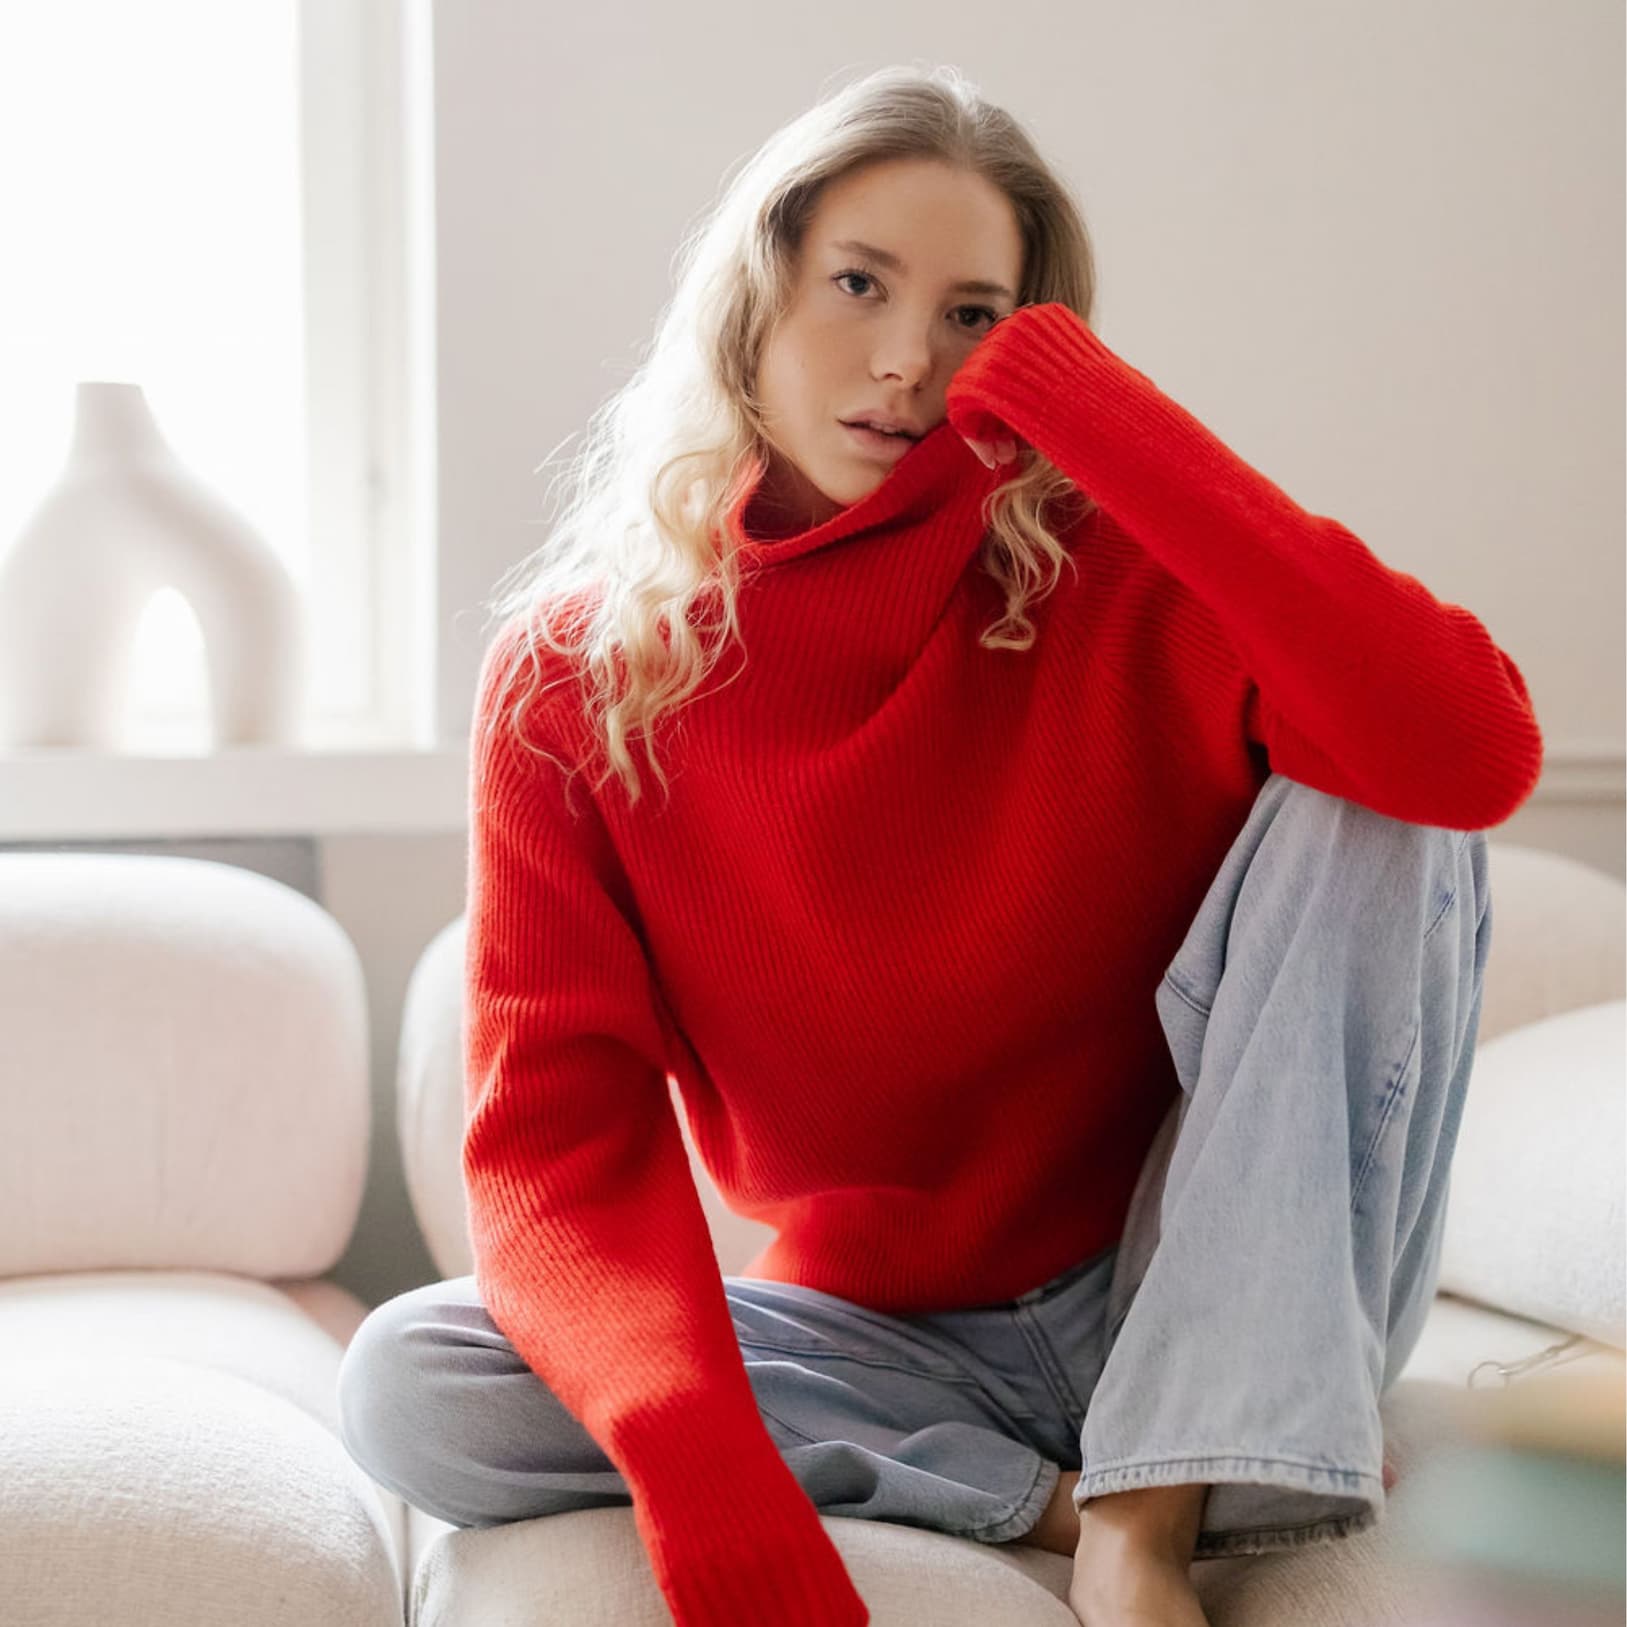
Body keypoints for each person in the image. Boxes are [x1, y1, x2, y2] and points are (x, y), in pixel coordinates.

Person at [335, 62, 1542, 1627]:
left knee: (1381, 782)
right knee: (415, 1377)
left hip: (1220, 1294)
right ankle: (1058, 1494)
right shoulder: (575, 683)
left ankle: (1152, 1511)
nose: (908, 361)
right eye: (860, 284)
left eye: (974, 315)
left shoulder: (1117, 583)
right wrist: (706, 1479)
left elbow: (1471, 748)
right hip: (877, 1347)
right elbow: (559, 1146)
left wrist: (1110, 424)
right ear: (755, 296)